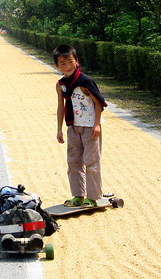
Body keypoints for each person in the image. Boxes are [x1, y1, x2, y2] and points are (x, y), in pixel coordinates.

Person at [53, 44, 107, 208]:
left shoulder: (85, 81)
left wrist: (97, 125)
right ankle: (78, 195)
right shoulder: (61, 84)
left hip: (90, 127)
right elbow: (61, 107)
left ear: (76, 61)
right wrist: (59, 128)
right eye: (62, 63)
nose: (67, 66)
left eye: (70, 62)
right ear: (57, 66)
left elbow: (99, 103)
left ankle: (93, 197)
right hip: (73, 127)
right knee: (73, 162)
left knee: (91, 161)